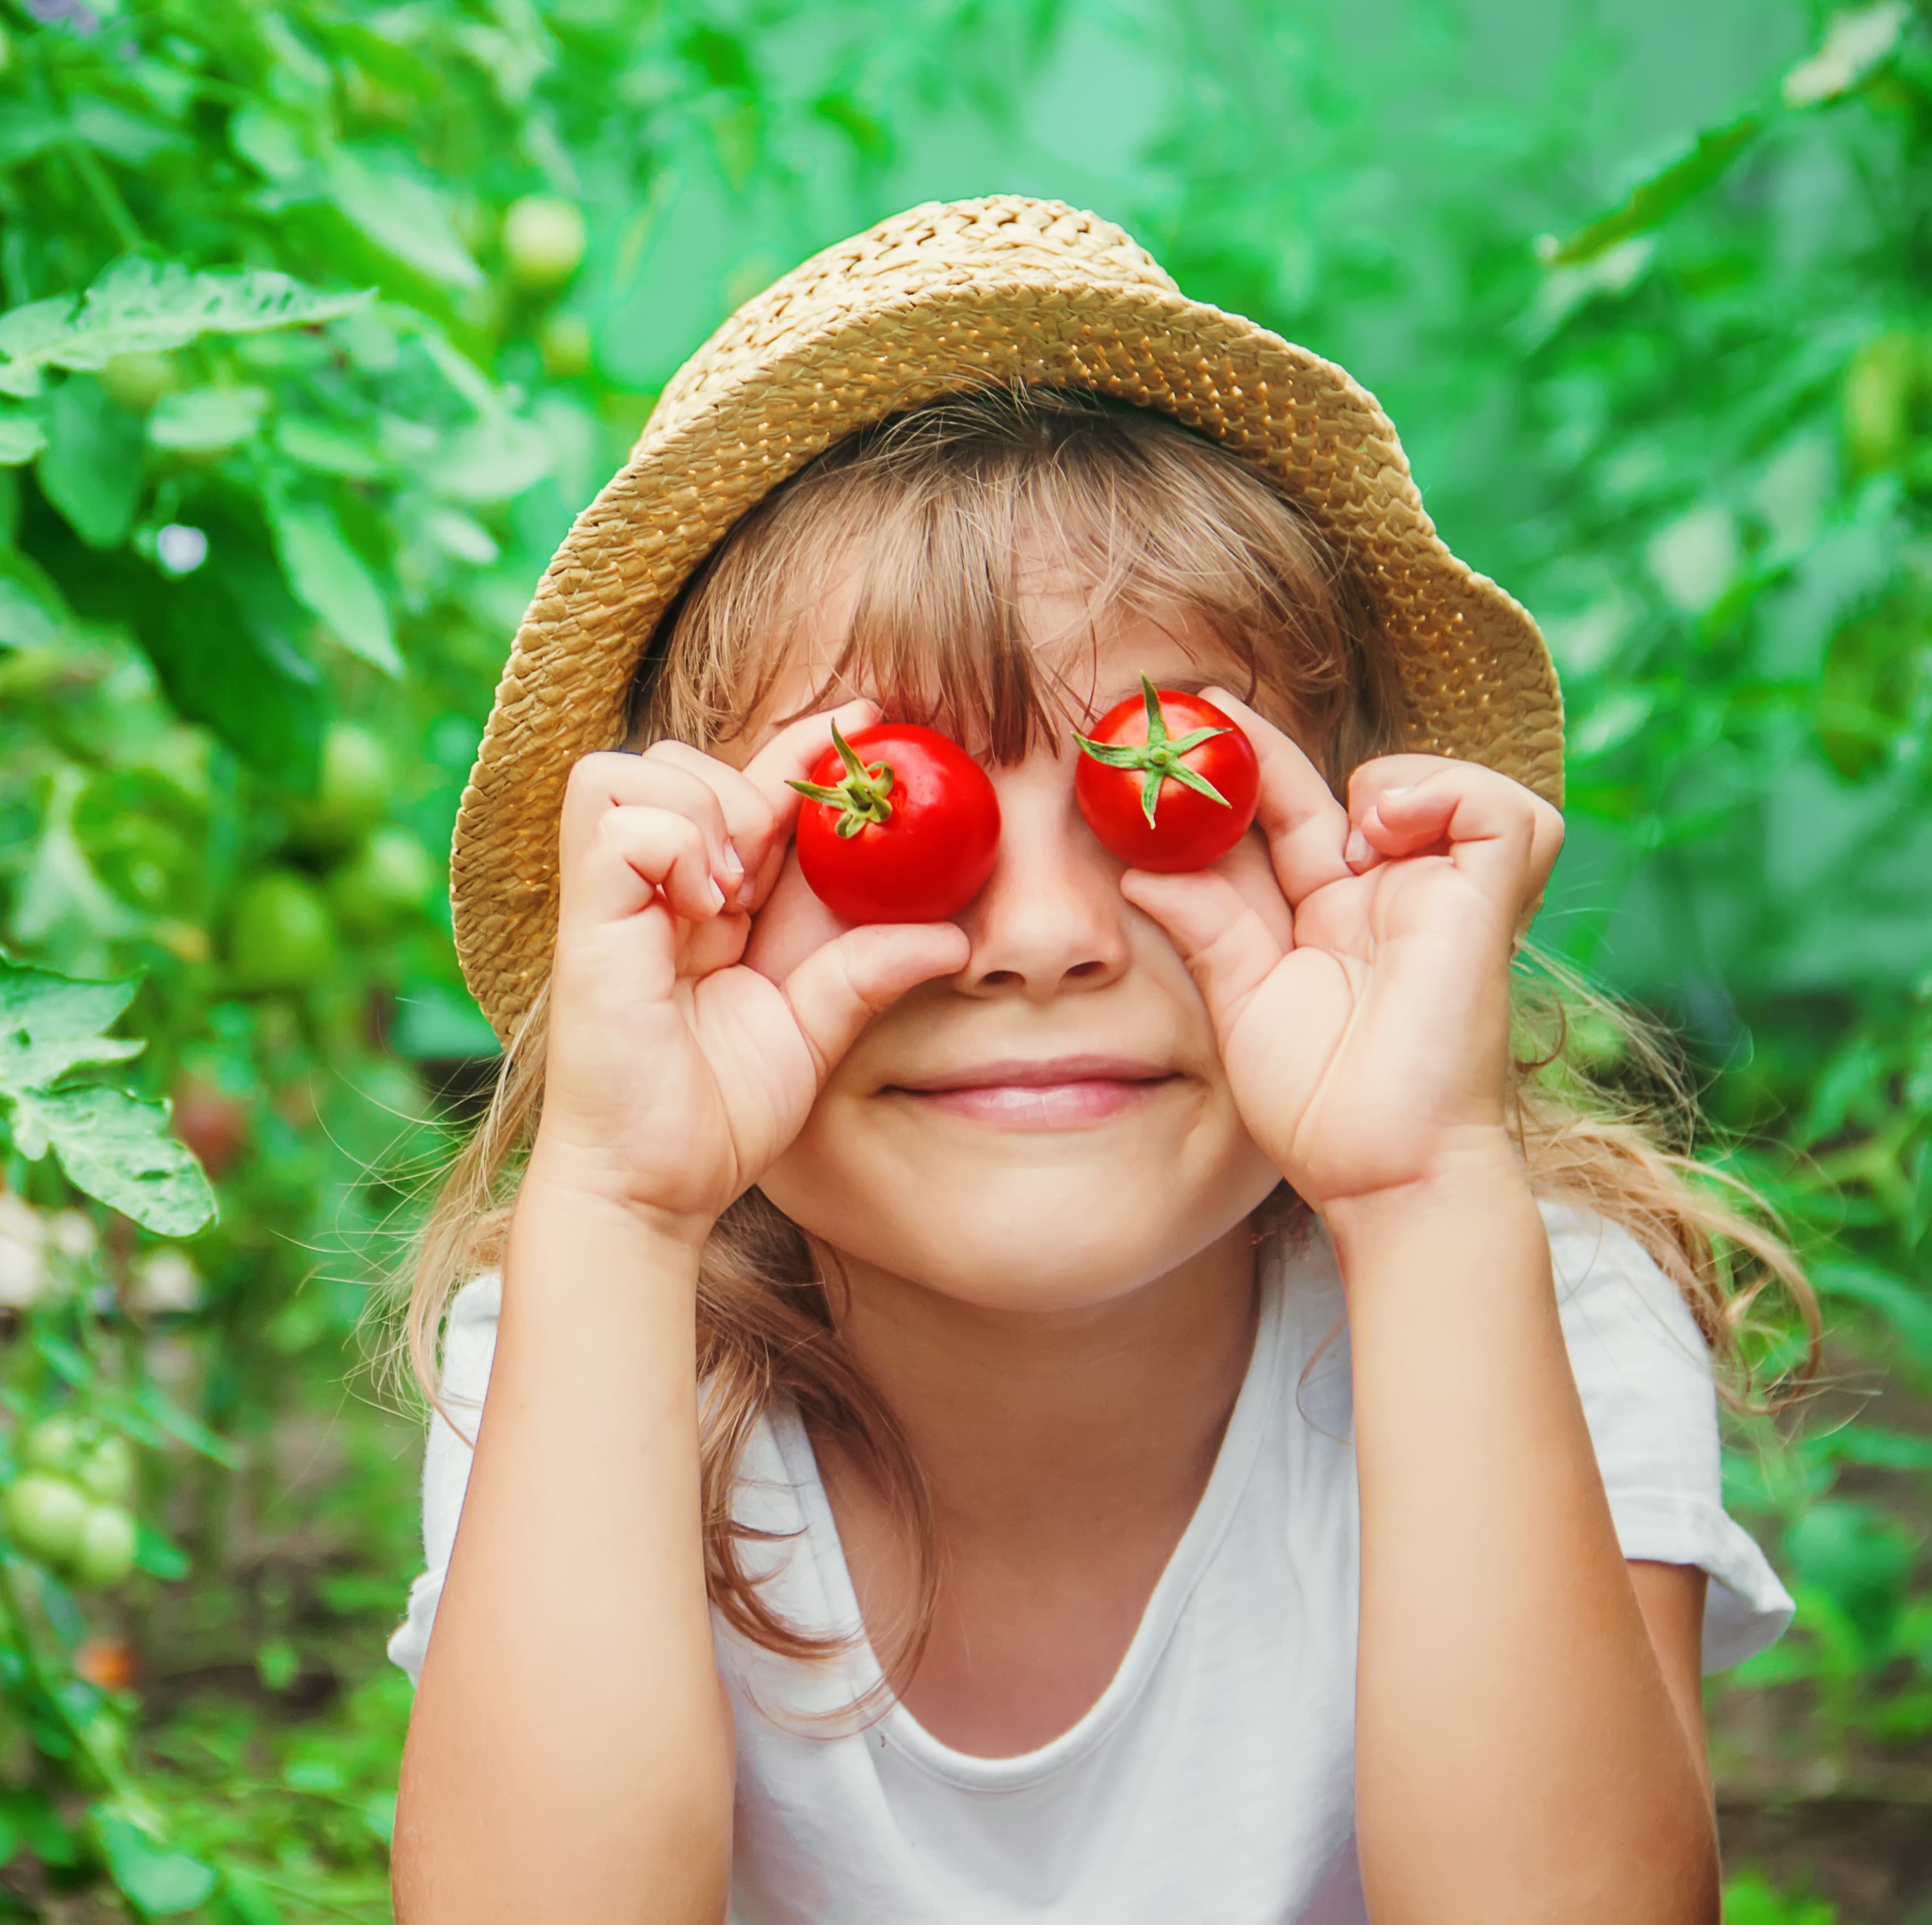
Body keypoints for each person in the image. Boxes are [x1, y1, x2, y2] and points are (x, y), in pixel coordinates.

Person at [382, 199, 1811, 1923]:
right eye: (886, 815)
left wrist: (1425, 1192)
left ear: (1338, 850)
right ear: (691, 905)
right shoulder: (602, 1340)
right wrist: (610, 1205)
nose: (1044, 934)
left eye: (1173, 791)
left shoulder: (1527, 1297)